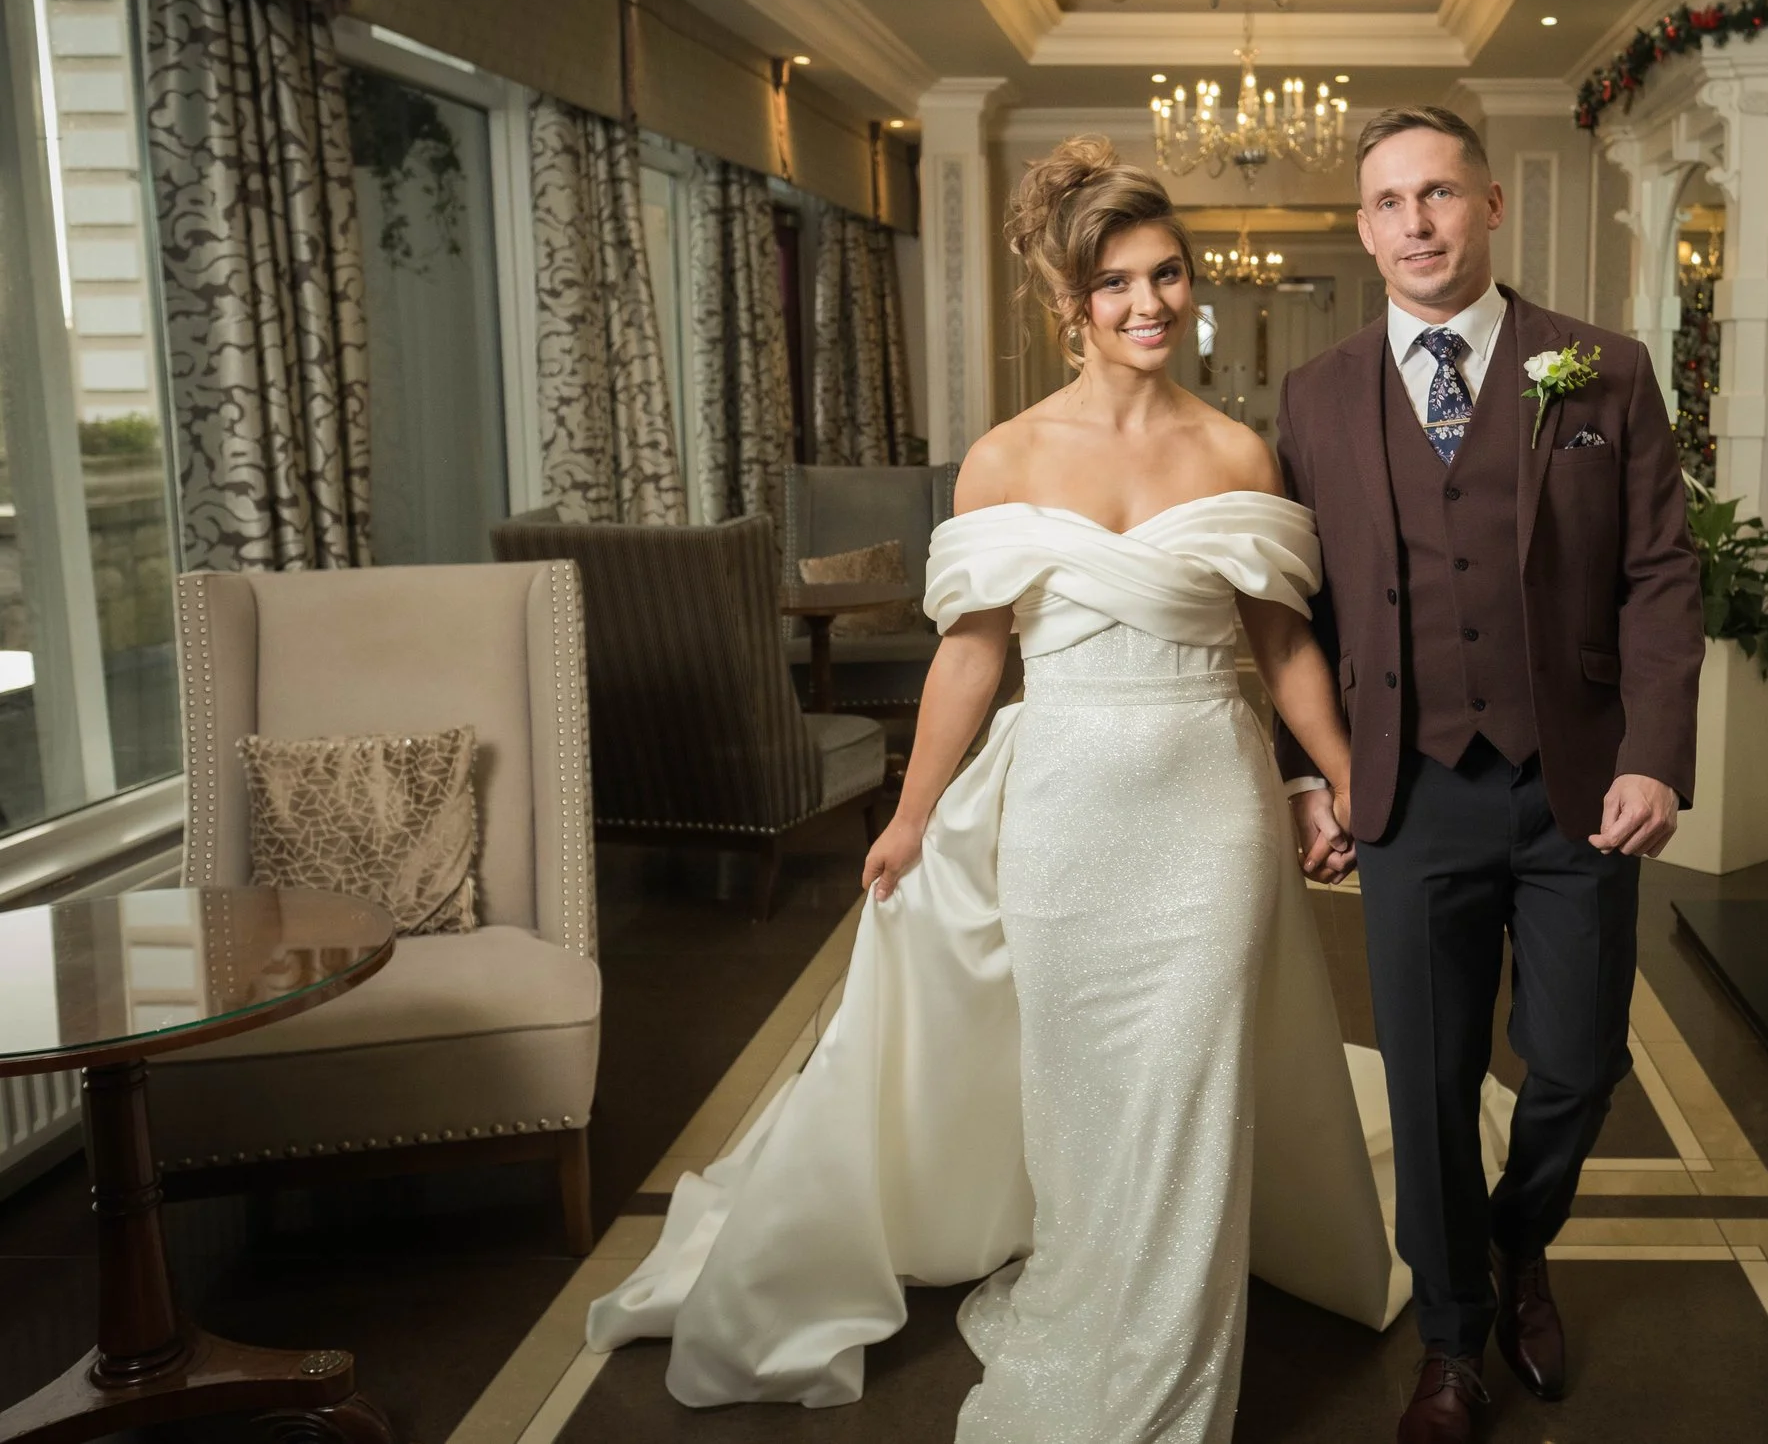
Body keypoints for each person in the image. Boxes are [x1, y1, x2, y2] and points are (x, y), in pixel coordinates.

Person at [585, 138, 1407, 1442]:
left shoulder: (1241, 456)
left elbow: (1284, 645)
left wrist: (1350, 776)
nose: (1149, 303)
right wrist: (910, 815)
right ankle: (1086, 1292)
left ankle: (1168, 1382)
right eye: (1115, 283)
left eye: (1168, 274)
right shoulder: (1002, 462)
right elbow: (970, 657)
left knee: (1189, 1091)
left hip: (1212, 811)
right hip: (1067, 812)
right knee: (1083, 1095)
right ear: (1069, 303)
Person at [1276, 105, 1705, 1444]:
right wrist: (1310, 777)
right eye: (1391, 201)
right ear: (1365, 227)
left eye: (1441, 194)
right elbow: (1294, 609)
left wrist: (1654, 751)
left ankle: (1522, 1242)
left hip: (1575, 782)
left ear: (1491, 206)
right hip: (1404, 789)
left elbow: (1659, 576)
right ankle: (1451, 1341)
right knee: (1430, 1076)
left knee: (1577, 1061)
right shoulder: (1314, 393)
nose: (1417, 222)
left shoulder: (1604, 370)